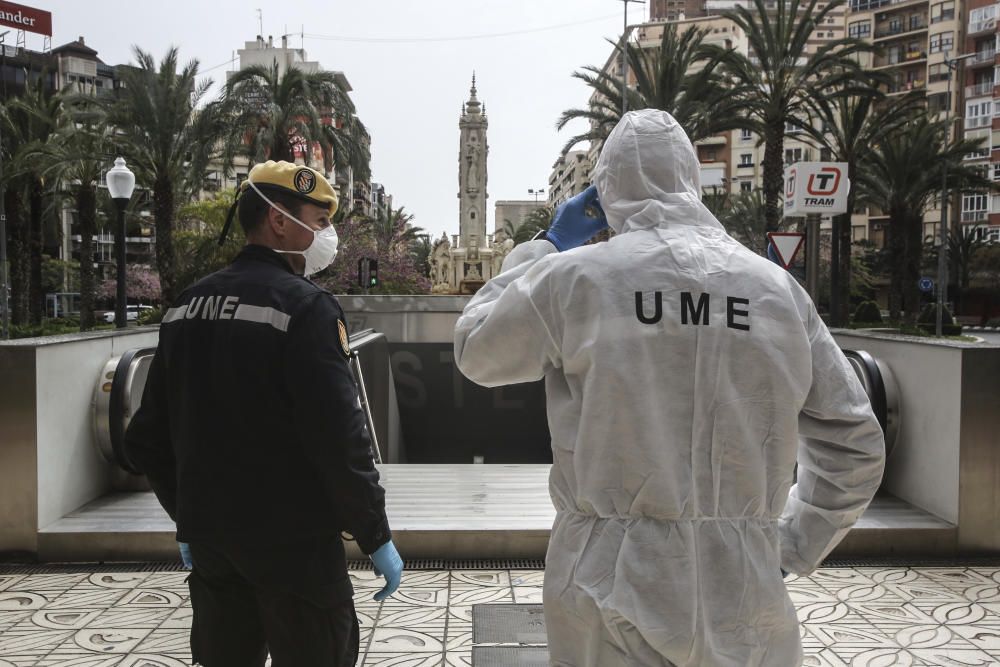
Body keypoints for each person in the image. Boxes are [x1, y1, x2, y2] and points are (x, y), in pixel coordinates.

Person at [453, 110, 885, 666]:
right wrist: (789, 544)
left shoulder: (575, 280)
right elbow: (855, 442)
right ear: (691, 180)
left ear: (605, 190)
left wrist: (549, 243)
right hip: (745, 587)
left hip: (606, 583)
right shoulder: (776, 291)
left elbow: (475, 349)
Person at [125, 160, 403, 667]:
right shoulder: (306, 307)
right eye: (319, 222)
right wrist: (375, 534)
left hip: (214, 545)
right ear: (279, 220)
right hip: (294, 548)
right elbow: (340, 439)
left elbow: (146, 438)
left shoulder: (186, 306)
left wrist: (189, 520)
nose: (327, 235)